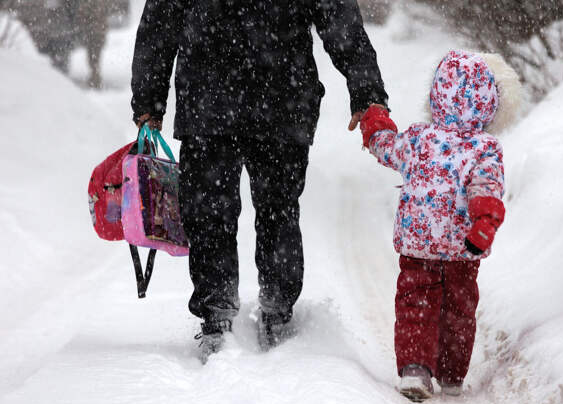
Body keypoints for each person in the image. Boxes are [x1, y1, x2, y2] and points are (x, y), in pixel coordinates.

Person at [130, 0, 388, 360]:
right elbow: (161, 20)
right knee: (221, 212)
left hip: (262, 99)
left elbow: (338, 17)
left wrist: (367, 89)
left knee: (263, 209)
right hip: (235, 99)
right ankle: (224, 314)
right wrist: (148, 97)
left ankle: (270, 310)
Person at [359, 50, 521, 401]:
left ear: (436, 96)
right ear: (491, 103)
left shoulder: (419, 139)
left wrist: (374, 122)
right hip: (464, 248)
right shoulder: (485, 148)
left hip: (419, 243)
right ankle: (451, 374)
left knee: (416, 301)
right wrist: (484, 222)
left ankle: (416, 369)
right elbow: (486, 188)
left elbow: (387, 147)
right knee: (459, 308)